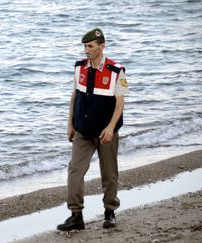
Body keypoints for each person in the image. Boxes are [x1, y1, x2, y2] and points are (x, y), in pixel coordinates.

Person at [57, 28, 129, 231]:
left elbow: (120, 103)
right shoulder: (79, 67)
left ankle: (110, 212)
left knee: (109, 173)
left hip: (106, 132)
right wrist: (70, 123)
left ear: (102, 46)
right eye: (85, 46)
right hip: (82, 130)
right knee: (75, 171)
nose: (86, 50)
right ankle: (76, 216)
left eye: (90, 46)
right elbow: (74, 96)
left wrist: (111, 127)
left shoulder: (116, 71)